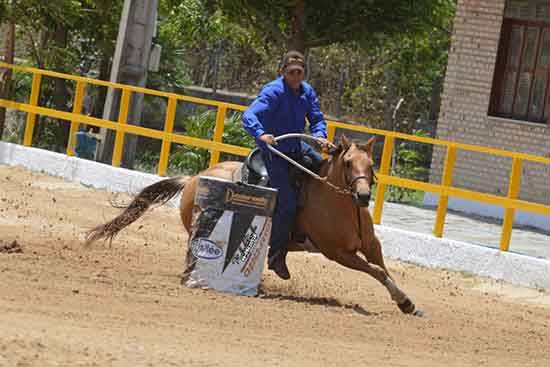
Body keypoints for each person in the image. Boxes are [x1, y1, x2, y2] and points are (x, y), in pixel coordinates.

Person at [242, 50, 333, 280]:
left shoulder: (307, 91)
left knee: (324, 170)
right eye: (291, 72)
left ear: (304, 74)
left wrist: (320, 135)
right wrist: (262, 134)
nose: (295, 76)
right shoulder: (273, 91)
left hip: (296, 146)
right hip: (275, 153)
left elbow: (317, 118)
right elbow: (249, 115)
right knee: (288, 204)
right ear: (283, 72)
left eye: (299, 72)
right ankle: (276, 256)